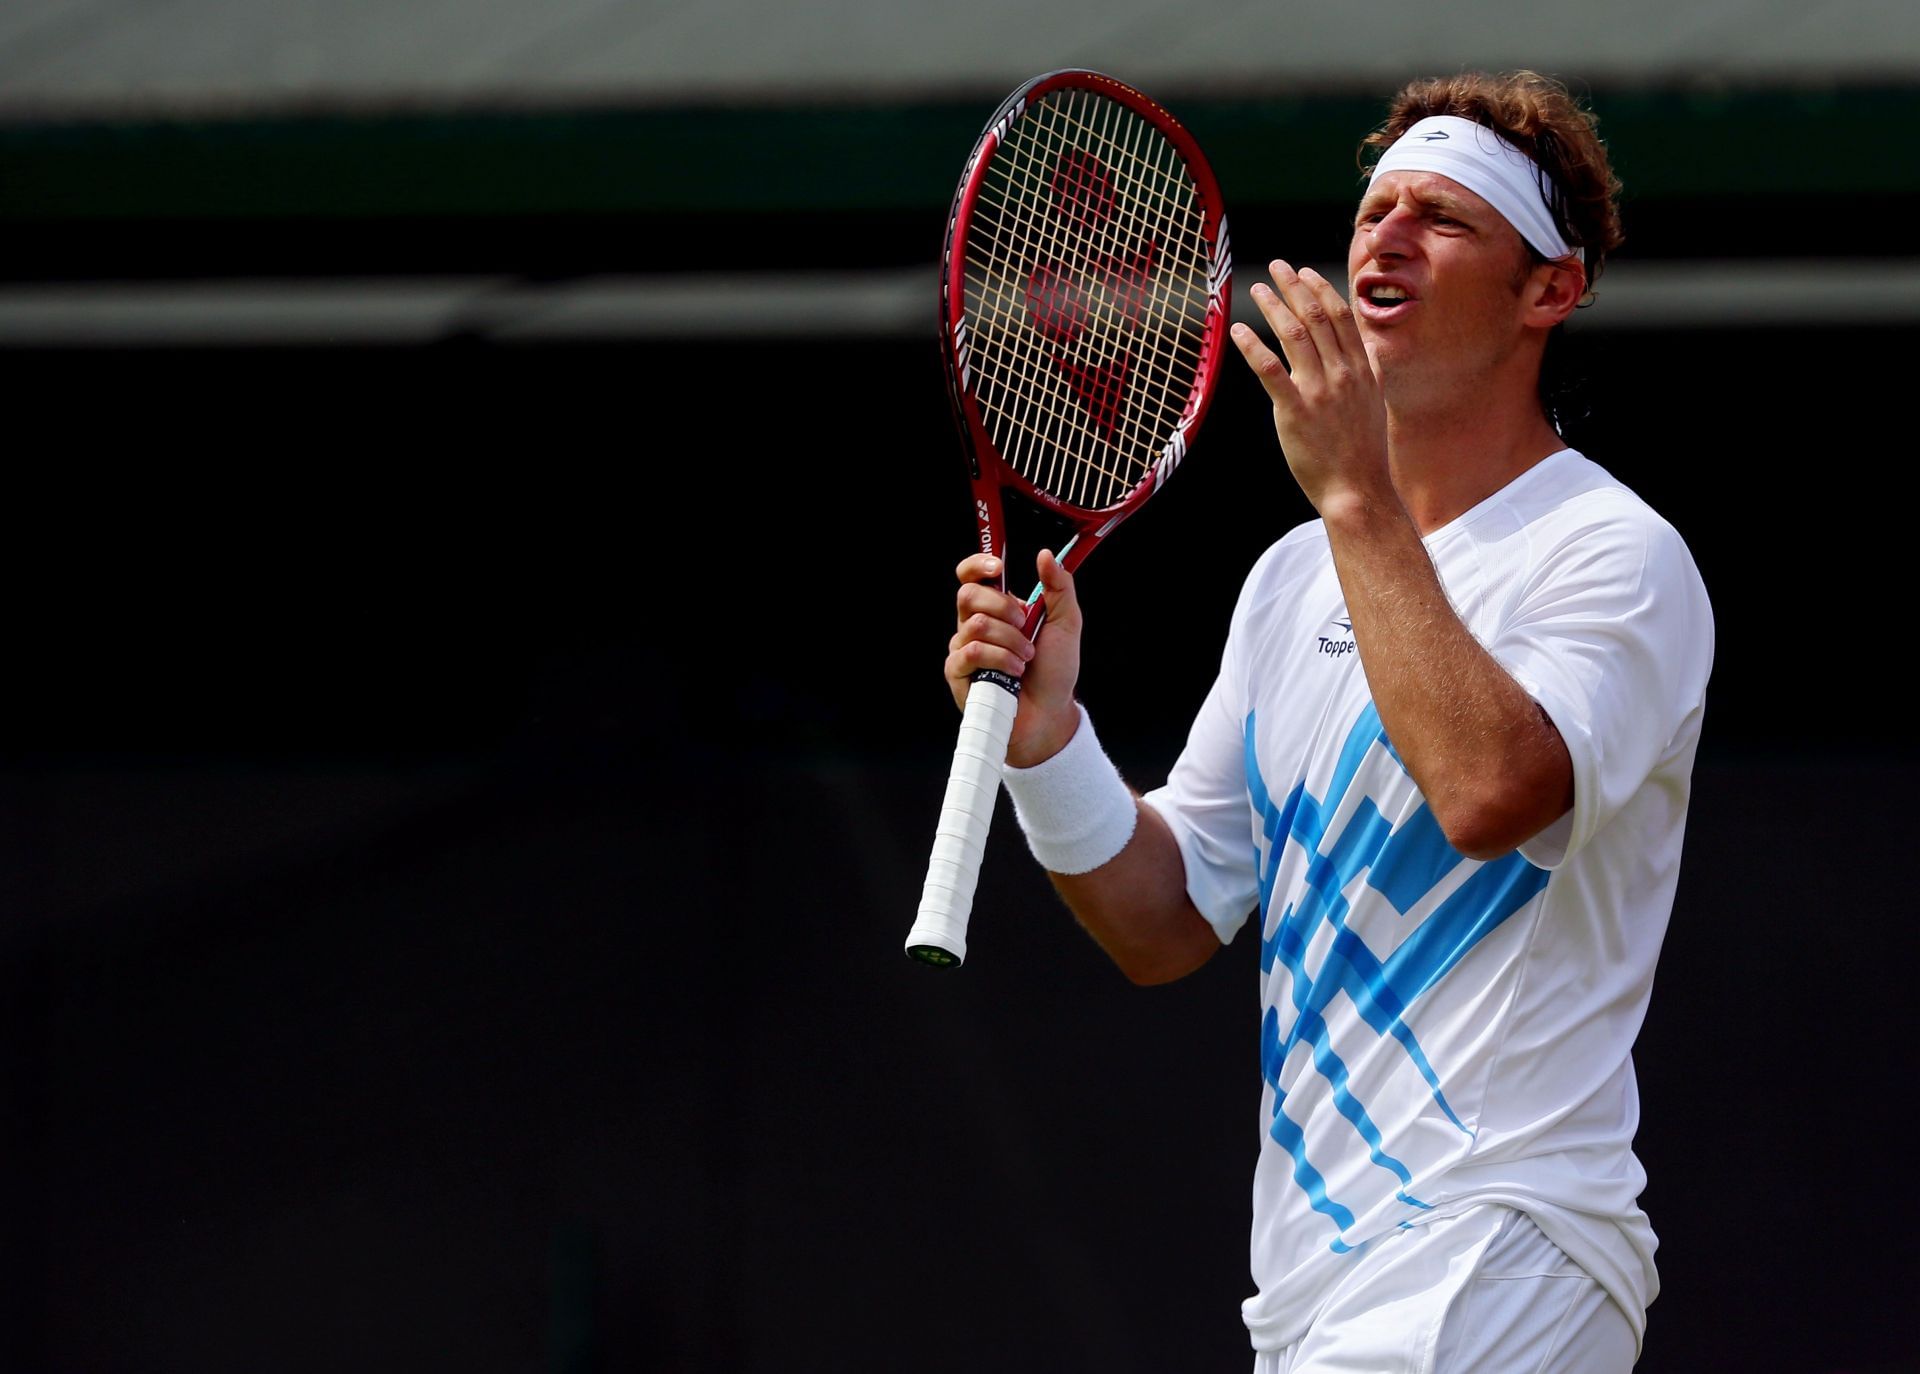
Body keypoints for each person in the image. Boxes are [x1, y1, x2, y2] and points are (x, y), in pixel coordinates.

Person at [943, 71, 1713, 1372]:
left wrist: (1358, 496)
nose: (1386, 237)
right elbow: (1166, 915)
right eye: (1376, 209)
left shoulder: (1613, 556)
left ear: (1549, 290)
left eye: (1445, 218)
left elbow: (1486, 790)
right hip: (1316, 1291)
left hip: (1501, 1244)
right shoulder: (1289, 581)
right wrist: (1051, 743)